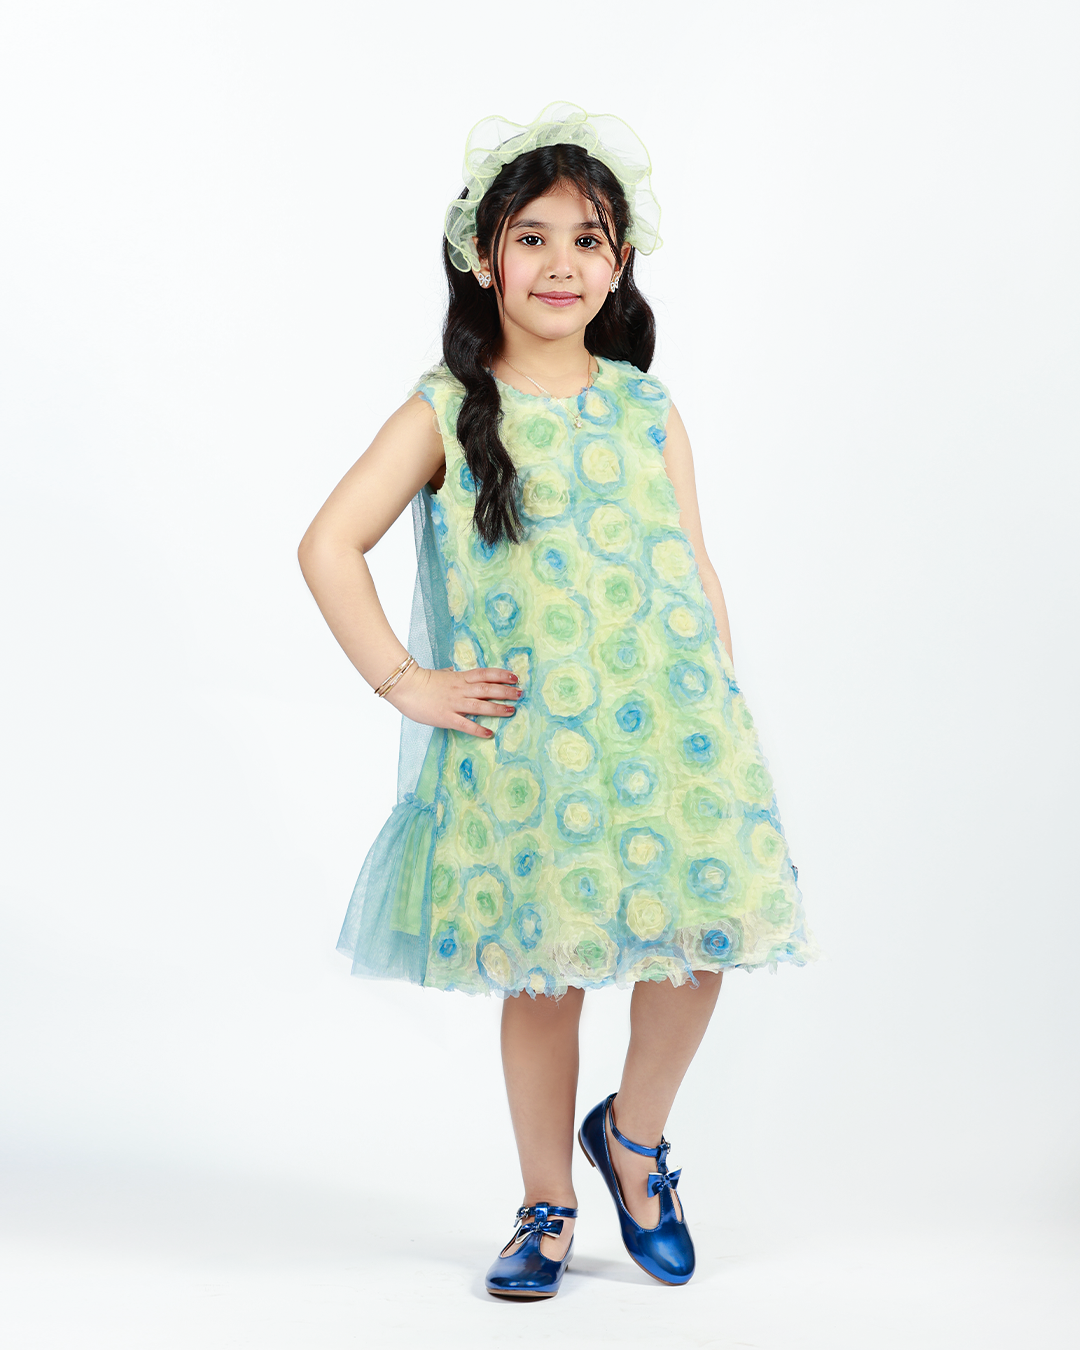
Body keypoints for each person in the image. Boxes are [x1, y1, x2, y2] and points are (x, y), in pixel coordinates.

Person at [298, 102, 819, 1300]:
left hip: (674, 729)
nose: (559, 264)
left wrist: (724, 706)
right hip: (533, 749)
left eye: (586, 239)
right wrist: (405, 681)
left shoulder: (646, 406)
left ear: (619, 262)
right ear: (485, 258)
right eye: (530, 239)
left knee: (700, 944)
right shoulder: (445, 410)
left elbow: (693, 565)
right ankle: (546, 1200)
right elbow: (328, 544)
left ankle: (634, 1139)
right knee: (546, 972)